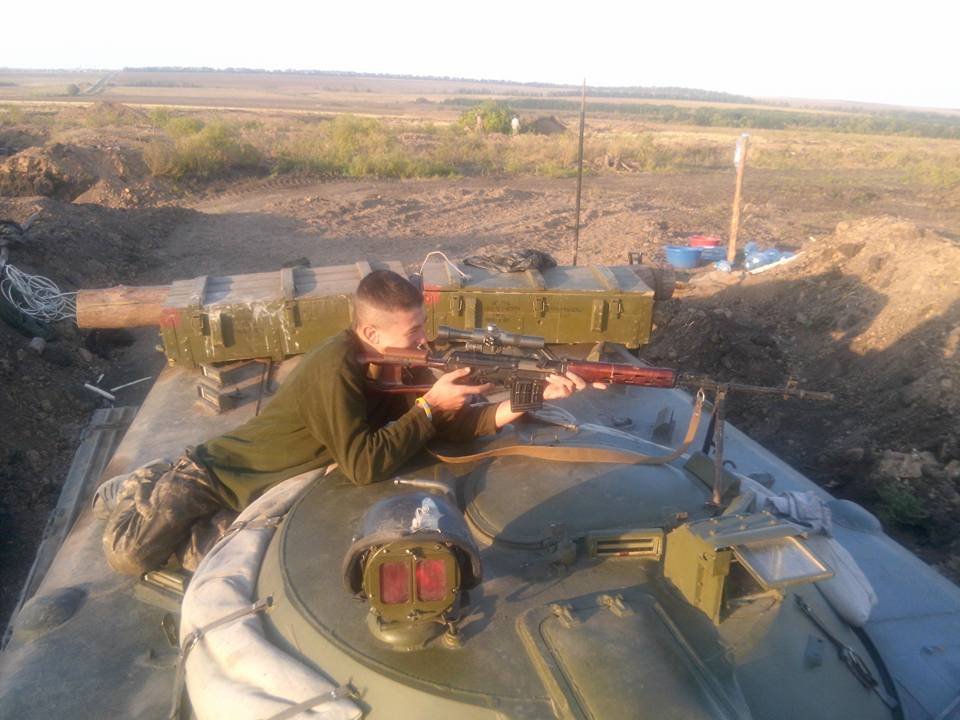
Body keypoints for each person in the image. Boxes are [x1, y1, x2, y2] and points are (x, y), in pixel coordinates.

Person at [102, 270, 596, 575]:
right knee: (130, 556)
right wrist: (428, 407)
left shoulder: (401, 362)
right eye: (413, 331)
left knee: (218, 559)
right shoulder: (334, 367)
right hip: (217, 473)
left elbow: (450, 425)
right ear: (371, 333)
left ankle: (169, 506)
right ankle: (147, 479)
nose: (425, 340)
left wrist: (525, 399)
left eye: (423, 326)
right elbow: (363, 465)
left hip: (267, 492)